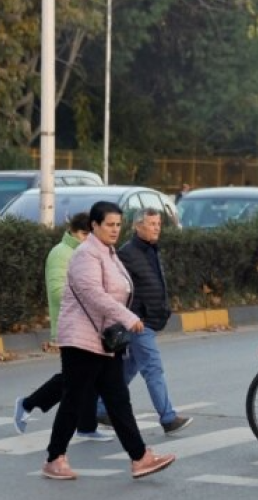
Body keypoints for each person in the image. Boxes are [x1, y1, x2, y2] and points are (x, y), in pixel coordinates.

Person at [42, 201, 176, 480]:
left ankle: (139, 458)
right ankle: (55, 459)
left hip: (103, 340)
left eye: (118, 225)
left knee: (118, 399)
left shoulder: (109, 253)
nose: (115, 230)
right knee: (74, 400)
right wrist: (128, 317)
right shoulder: (86, 255)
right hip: (80, 340)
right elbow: (94, 294)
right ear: (94, 225)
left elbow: (121, 289)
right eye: (109, 225)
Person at [14, 213, 111, 441]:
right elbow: (58, 292)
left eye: (91, 234)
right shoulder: (62, 254)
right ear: (74, 232)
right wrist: (92, 295)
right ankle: (28, 404)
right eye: (84, 234)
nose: (88, 238)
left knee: (88, 374)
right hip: (72, 325)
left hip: (90, 323)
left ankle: (86, 426)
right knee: (75, 376)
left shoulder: (88, 253)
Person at [96, 208, 192, 435]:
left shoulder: (151, 250)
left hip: (149, 319)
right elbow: (117, 288)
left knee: (129, 367)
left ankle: (99, 407)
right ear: (138, 227)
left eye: (158, 223)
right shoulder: (127, 253)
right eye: (151, 223)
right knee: (153, 368)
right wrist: (129, 316)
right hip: (139, 321)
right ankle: (168, 418)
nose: (156, 227)